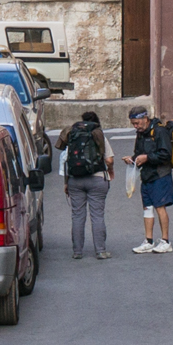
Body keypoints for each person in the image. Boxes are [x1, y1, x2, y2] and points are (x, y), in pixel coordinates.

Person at [55, 110, 114, 260]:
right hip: (97, 179)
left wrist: (66, 182)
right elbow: (109, 160)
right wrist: (111, 172)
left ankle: (77, 251)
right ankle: (100, 251)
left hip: (75, 179)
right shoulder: (99, 134)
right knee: (97, 216)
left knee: (77, 216)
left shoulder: (73, 135)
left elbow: (66, 160)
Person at [123, 105, 173, 253]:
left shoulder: (159, 131)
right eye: (133, 124)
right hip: (146, 175)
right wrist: (132, 159)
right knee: (147, 208)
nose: (136, 126)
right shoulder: (141, 133)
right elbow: (139, 153)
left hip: (160, 174)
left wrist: (147, 158)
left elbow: (166, 154)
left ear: (145, 118)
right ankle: (149, 241)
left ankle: (165, 241)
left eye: (137, 123)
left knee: (160, 207)